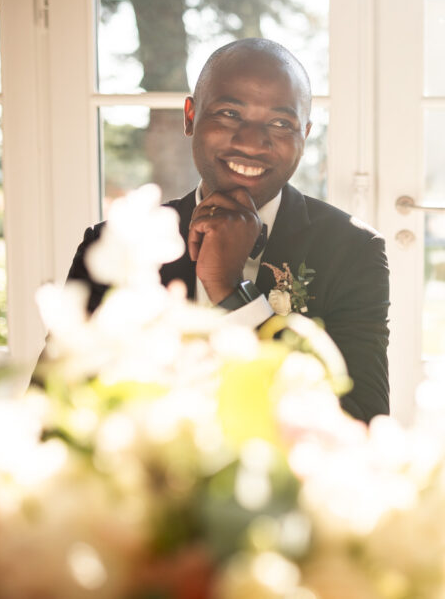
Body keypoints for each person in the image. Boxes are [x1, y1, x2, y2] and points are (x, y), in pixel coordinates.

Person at [61, 38, 390, 422]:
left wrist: (233, 292)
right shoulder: (113, 245)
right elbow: (53, 408)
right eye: (230, 114)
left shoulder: (352, 250)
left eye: (281, 123)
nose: (251, 141)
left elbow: (361, 420)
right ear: (190, 116)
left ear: (306, 134)